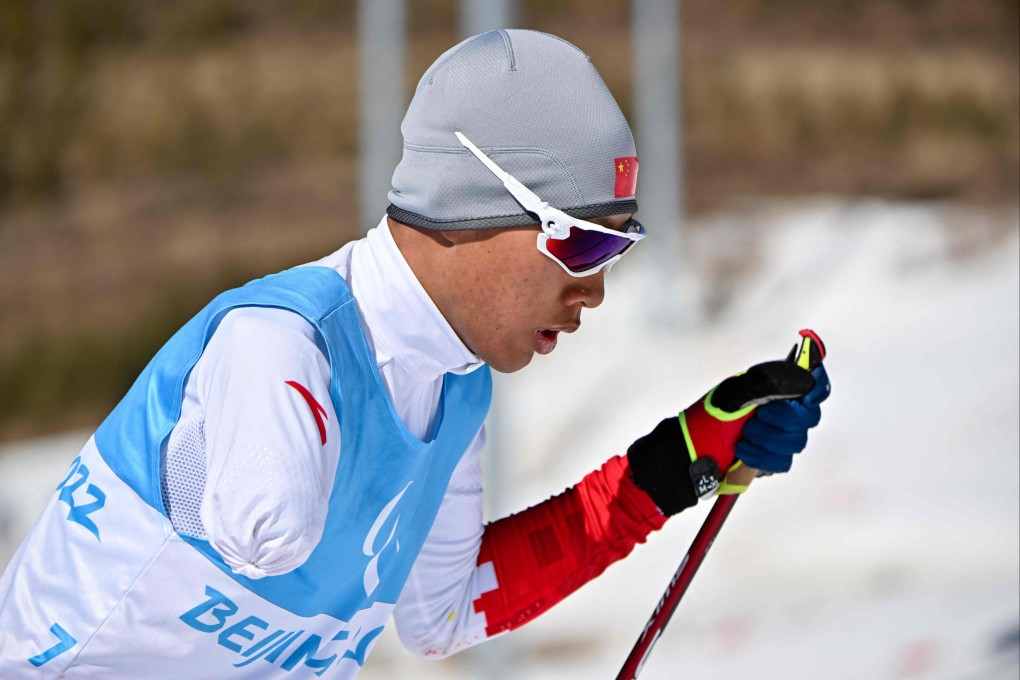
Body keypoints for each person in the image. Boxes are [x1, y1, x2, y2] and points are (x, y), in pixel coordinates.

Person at [0, 29, 830, 678]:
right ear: (473, 208)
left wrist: (676, 463)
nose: (596, 291)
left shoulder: (453, 384)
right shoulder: (283, 344)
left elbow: (445, 611)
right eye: (582, 247)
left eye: (619, 251)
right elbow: (266, 533)